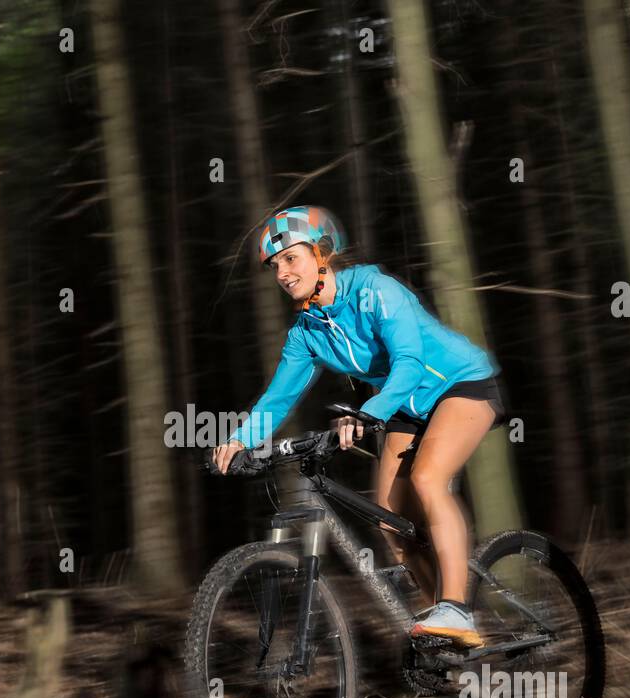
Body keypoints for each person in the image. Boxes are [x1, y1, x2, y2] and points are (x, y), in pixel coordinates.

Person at [211, 205, 508, 649]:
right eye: (275, 266)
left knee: (428, 478)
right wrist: (240, 440)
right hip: (402, 406)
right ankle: (442, 636)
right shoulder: (306, 332)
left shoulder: (376, 290)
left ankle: (457, 609)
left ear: (323, 253)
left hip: (460, 384)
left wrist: (369, 413)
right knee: (389, 521)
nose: (282, 273)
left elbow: (407, 362)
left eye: (291, 258)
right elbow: (278, 398)